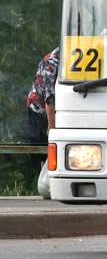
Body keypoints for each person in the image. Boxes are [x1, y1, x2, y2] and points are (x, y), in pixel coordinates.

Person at [26, 47, 59, 195]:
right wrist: (52, 125)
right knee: (45, 147)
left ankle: (52, 183)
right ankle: (47, 185)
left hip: (56, 107)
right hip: (39, 108)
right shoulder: (52, 62)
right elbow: (49, 97)